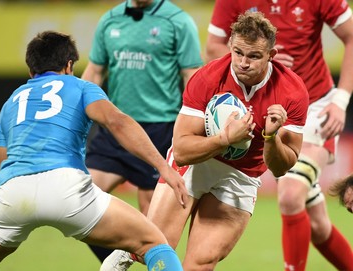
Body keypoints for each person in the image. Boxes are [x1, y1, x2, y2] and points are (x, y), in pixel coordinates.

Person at [0, 30, 189, 271]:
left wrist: (5, 207)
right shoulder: (81, 87)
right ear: (69, 65)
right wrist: (163, 167)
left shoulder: (12, 101)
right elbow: (116, 122)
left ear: (30, 70)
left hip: (14, 192)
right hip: (65, 189)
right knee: (153, 242)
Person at [100, 11, 310, 271]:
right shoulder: (208, 77)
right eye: (237, 52)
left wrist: (270, 138)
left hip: (241, 176)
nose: (243, 62)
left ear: (271, 55)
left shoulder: (292, 91)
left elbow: (281, 167)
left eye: (254, 56)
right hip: (197, 163)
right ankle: (130, 250)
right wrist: (224, 138)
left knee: (201, 263)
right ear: (230, 46)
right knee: (154, 249)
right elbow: (182, 151)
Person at [205, 1, 353, 270]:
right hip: (269, 105)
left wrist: (341, 101)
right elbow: (213, 47)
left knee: (290, 194)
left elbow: (351, 35)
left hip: (316, 106)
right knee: (318, 225)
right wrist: (261, 62)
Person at [81, 0, 203, 262]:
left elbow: (192, 78)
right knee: (78, 202)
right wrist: (74, 112)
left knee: (153, 228)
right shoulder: (110, 20)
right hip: (115, 128)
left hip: (159, 131)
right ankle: (116, 262)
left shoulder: (178, 22)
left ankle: (144, 264)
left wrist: (194, 126)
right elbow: (94, 71)